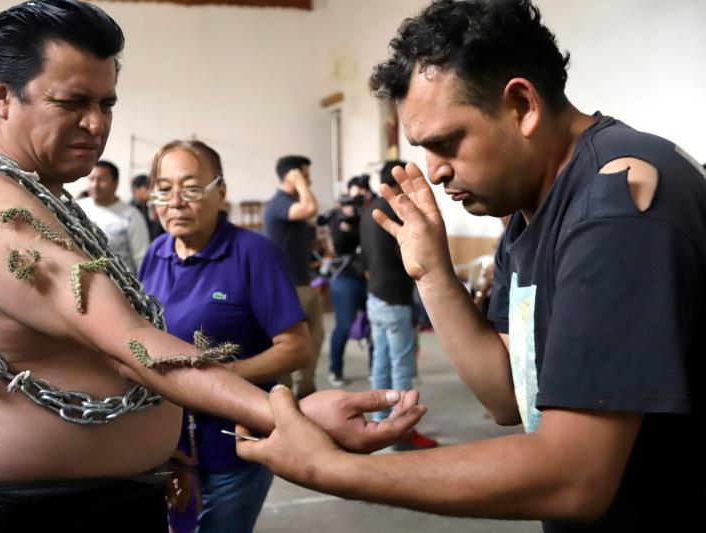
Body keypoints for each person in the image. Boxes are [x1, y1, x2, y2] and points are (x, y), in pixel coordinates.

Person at [0, 2, 427, 531]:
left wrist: (160, 444)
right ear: (1, 94)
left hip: (104, 495)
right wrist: (287, 415)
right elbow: (130, 345)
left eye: (107, 102)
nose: (96, 123)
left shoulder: (36, 197)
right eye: (72, 102)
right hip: (45, 514)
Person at [236, 1, 706, 531]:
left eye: (446, 142)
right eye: (423, 149)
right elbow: (508, 394)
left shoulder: (615, 203)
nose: (434, 171)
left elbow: (574, 475)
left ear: (522, 105)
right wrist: (433, 273)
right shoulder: (531, 208)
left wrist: (333, 469)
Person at [137, 139, 311, 533]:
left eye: (191, 188)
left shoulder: (253, 254)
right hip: (167, 445)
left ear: (221, 192)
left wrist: (220, 376)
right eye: (163, 189)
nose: (175, 201)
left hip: (234, 442)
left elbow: (297, 348)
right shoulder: (156, 253)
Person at [359, 160, 438, 450]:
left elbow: (365, 256)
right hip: (395, 298)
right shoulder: (396, 211)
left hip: (375, 295)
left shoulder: (368, 210)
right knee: (403, 367)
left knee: (380, 364)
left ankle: (380, 425)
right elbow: (410, 256)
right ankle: (402, 434)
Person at [263, 155, 325, 398]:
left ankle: (306, 392)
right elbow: (310, 208)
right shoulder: (279, 203)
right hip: (287, 289)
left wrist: (302, 186)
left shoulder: (293, 201)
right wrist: (299, 182)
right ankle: (284, 400)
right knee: (288, 347)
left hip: (304, 284)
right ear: (292, 175)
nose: (309, 180)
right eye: (305, 174)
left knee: (315, 340)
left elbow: (311, 210)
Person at [316, 174, 370, 386]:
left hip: (368, 277)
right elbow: (340, 245)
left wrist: (357, 218)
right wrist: (346, 220)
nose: (358, 197)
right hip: (345, 279)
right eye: (355, 192)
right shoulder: (338, 215)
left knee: (374, 324)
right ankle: (335, 370)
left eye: (363, 192)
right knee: (344, 325)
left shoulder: (367, 212)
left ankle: (376, 367)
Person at [77, 160, 150, 271]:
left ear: (115, 184)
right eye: (91, 179)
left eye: (102, 180)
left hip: (119, 283)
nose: (95, 185)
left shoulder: (132, 215)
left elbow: (142, 259)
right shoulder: (77, 207)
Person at [130, 173, 165, 241]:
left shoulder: (147, 207)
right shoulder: (132, 211)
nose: (151, 191)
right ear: (135, 190)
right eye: (147, 187)